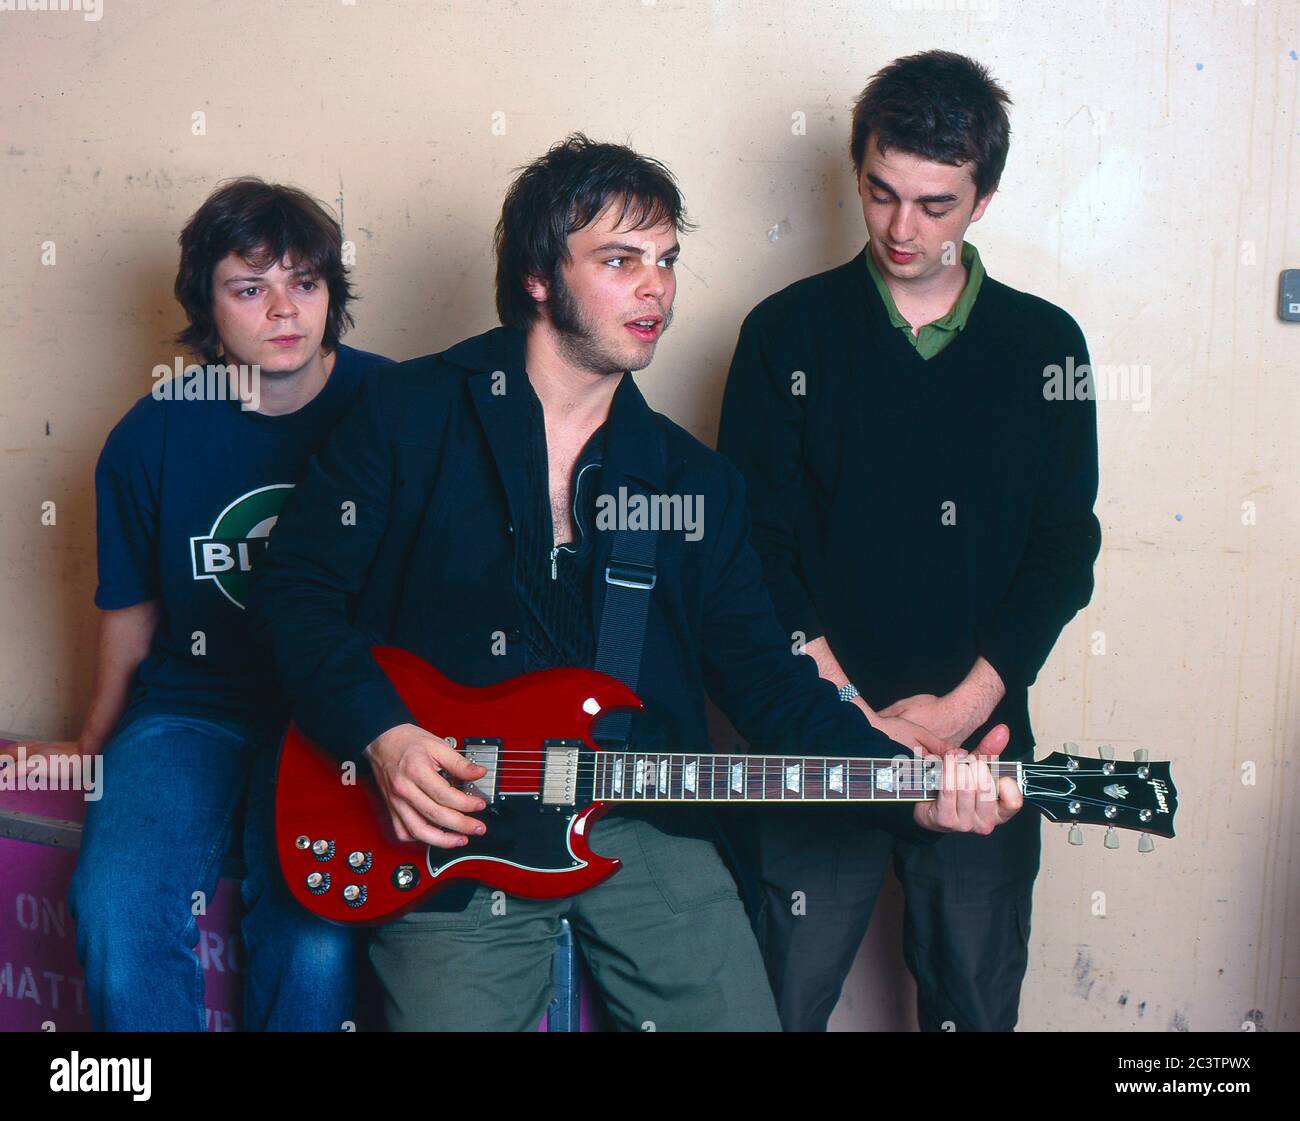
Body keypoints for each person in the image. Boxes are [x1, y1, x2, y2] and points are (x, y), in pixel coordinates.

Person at [250, 134, 1024, 1033]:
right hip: (443, 828)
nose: (656, 287)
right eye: (620, 261)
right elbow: (293, 594)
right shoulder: (411, 414)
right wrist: (382, 735)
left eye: (665, 261)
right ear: (540, 276)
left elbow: (769, 686)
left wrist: (909, 783)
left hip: (635, 822)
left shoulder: (693, 483)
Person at [718, 51, 1102, 1032]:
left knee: (973, 1005)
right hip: (813, 733)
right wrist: (849, 713)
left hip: (979, 743)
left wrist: (963, 707)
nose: (899, 228)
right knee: (773, 1002)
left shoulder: (1044, 345)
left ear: (983, 200)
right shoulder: (783, 333)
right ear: (856, 171)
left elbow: (1063, 548)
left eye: (935, 205)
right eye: (881, 194)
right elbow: (755, 545)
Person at [5, 178, 388, 1030]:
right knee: (115, 906)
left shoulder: (394, 409)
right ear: (206, 308)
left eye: (306, 283)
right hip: (191, 709)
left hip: (332, 714)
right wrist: (92, 741)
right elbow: (131, 613)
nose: (283, 309)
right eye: (250, 288)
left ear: (333, 293)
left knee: (314, 936)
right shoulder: (151, 435)